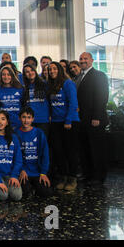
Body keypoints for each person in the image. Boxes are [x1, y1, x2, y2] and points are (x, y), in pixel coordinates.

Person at [76, 52, 109, 185]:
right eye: (81, 59)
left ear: (92, 60)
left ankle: (98, 176)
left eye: (85, 58)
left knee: (96, 149)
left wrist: (97, 116)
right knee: (85, 148)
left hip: (94, 119)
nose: (83, 61)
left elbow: (102, 96)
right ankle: (88, 174)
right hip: (82, 120)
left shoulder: (99, 75)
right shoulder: (79, 76)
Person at [47, 61, 80, 191]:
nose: (52, 71)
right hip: (55, 122)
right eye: (50, 70)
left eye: (54, 69)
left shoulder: (68, 83)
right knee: (58, 151)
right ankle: (63, 176)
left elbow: (73, 103)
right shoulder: (51, 85)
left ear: (60, 70)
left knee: (70, 151)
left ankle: (72, 178)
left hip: (69, 122)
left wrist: (68, 120)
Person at [15, 107, 53, 198]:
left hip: (37, 172)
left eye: (29, 117)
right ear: (19, 118)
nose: (26, 120)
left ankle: (35, 188)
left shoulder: (39, 133)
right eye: (23, 117)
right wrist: (21, 170)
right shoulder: (15, 133)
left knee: (47, 193)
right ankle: (30, 188)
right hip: (23, 172)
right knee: (25, 194)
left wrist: (43, 173)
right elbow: (14, 156)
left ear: (33, 119)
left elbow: (45, 154)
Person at [0, 110, 23, 201]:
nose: (0, 122)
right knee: (3, 196)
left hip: (10, 174)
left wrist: (14, 176)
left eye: (3, 119)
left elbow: (18, 160)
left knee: (17, 196)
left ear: (7, 122)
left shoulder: (14, 138)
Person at [21, 64, 50, 138]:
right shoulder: (24, 88)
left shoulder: (44, 84)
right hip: (29, 122)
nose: (30, 73)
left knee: (42, 144)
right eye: (27, 72)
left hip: (43, 120)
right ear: (24, 75)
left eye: (32, 70)